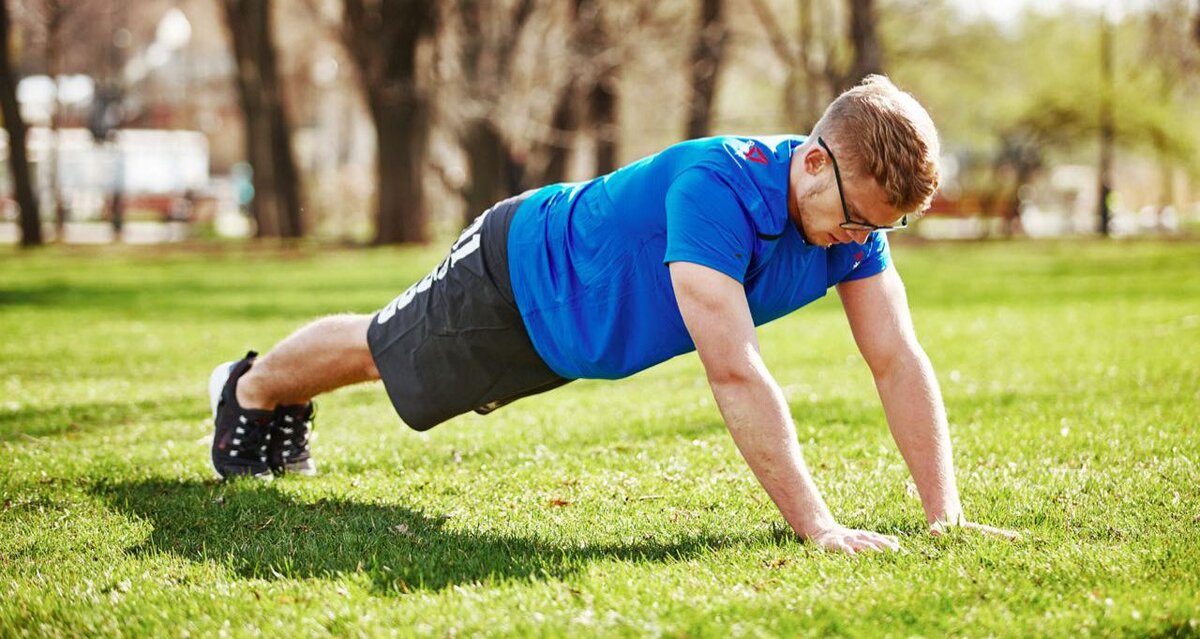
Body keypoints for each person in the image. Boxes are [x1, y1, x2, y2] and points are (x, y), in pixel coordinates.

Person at [207, 75, 1018, 555]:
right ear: (812, 159)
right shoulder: (717, 189)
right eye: (855, 218)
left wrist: (944, 515)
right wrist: (819, 527)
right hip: (519, 272)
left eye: (879, 229)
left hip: (572, 334)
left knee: (401, 371)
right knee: (386, 349)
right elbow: (734, 367)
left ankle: (269, 395)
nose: (860, 242)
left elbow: (897, 359)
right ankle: (249, 391)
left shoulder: (850, 228)